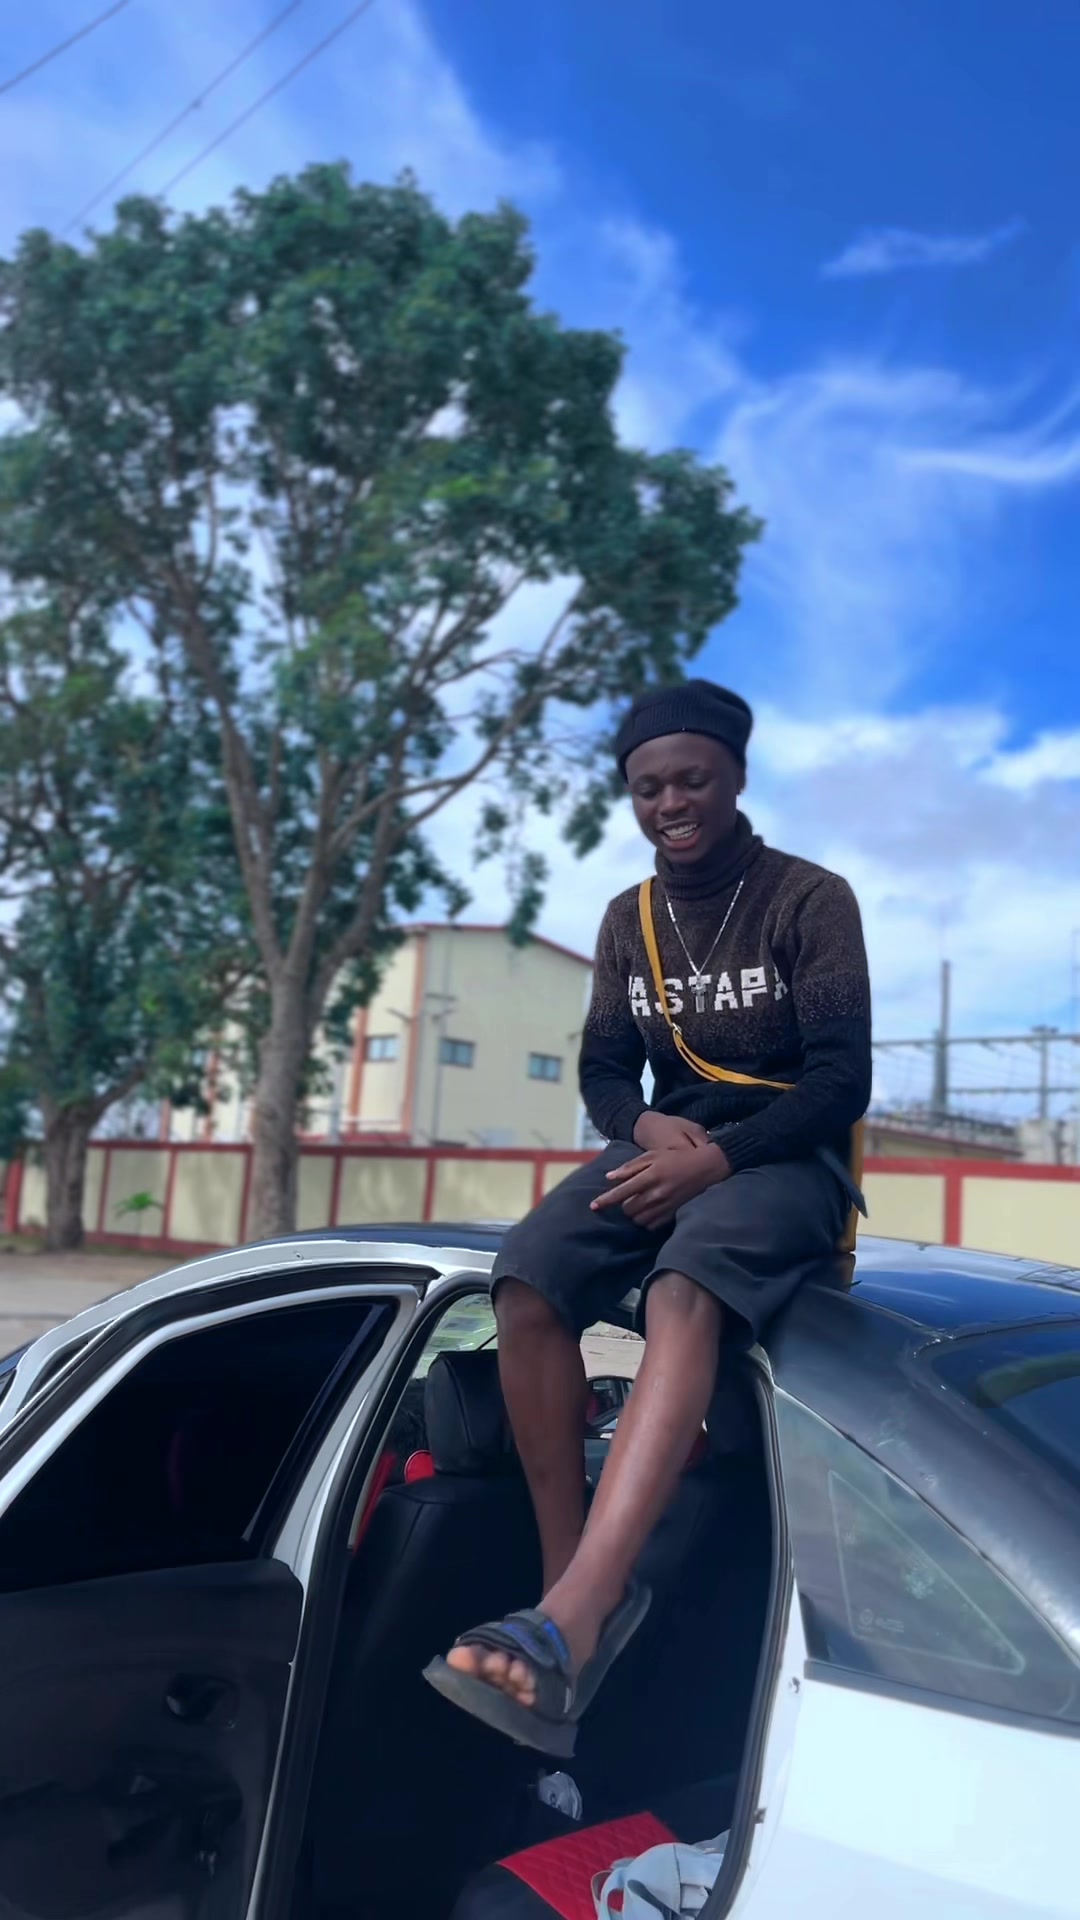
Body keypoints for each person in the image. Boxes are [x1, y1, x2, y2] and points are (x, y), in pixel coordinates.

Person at [423, 679, 872, 1755]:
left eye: (692, 781)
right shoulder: (630, 919)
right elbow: (603, 1071)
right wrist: (644, 1128)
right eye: (649, 788)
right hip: (667, 1146)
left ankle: (576, 1615)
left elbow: (840, 1080)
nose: (671, 803)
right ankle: (568, 1592)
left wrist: (719, 1157)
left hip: (785, 1159)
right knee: (527, 1274)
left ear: (736, 777)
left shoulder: (809, 899)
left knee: (685, 1285)